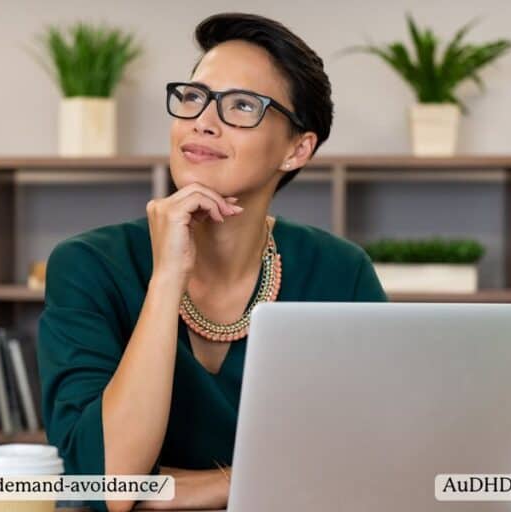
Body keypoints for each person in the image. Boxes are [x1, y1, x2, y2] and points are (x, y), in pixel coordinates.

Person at [38, 12, 387, 511]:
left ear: (297, 149)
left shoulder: (340, 271)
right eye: (194, 97)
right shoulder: (87, 265)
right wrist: (166, 279)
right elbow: (107, 485)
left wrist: (205, 486)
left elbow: (371, 457)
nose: (202, 120)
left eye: (242, 105)